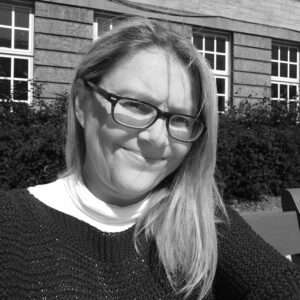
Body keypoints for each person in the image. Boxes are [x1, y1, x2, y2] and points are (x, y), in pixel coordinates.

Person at [0, 18, 299, 300]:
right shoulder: (11, 225)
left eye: (181, 120)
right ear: (81, 103)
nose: (157, 138)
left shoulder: (202, 222)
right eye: (136, 105)